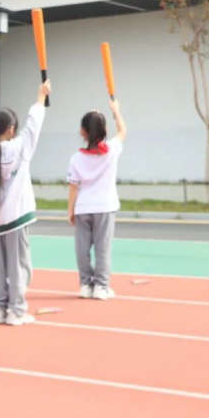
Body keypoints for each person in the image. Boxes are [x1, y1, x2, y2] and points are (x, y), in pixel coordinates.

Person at [0, 80, 51, 326]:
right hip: (17, 218)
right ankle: (16, 310)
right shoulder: (20, 148)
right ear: (11, 128)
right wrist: (40, 98)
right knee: (19, 265)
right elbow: (33, 126)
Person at [67, 99, 127, 300]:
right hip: (105, 207)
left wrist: (70, 210)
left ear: (83, 132)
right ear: (104, 130)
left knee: (82, 248)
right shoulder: (112, 150)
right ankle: (101, 286)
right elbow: (123, 131)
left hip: (83, 208)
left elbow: (73, 187)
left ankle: (85, 285)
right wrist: (116, 111)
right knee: (103, 248)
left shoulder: (76, 158)